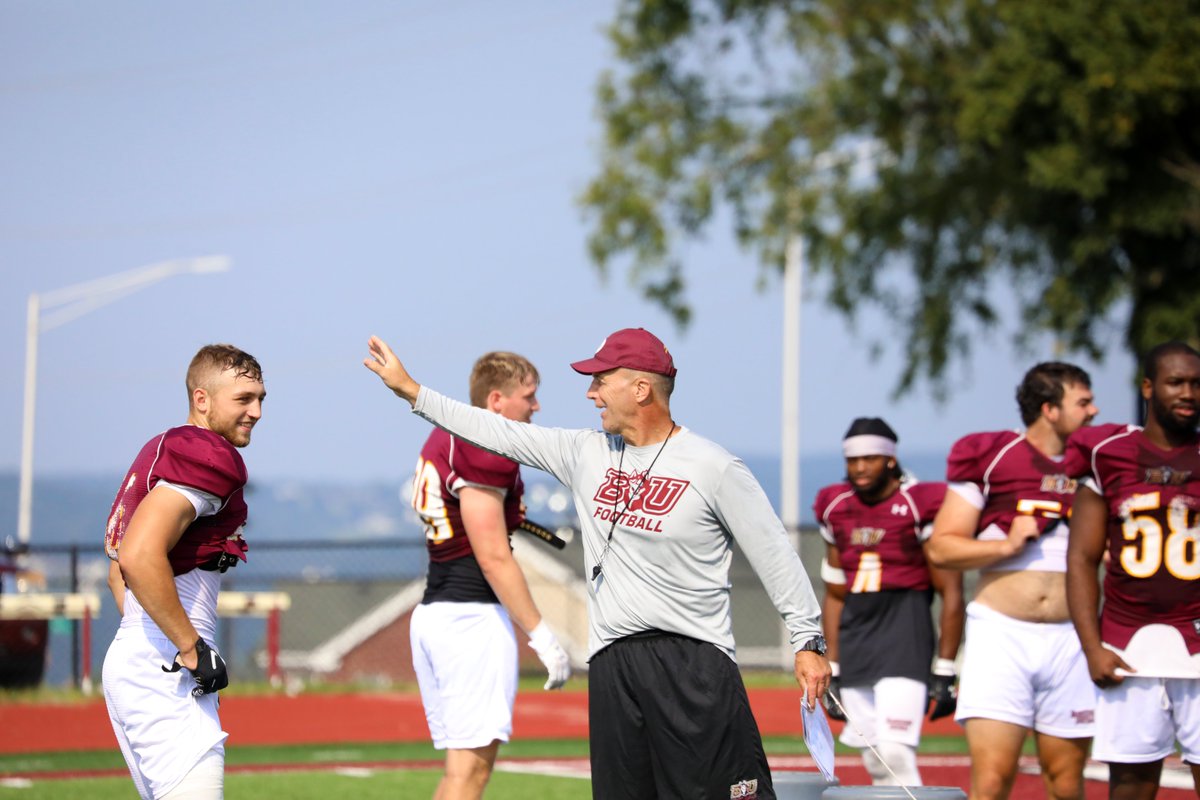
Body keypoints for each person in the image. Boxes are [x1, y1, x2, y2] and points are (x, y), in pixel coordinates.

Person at [365, 328, 830, 800]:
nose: (590, 394)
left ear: (641, 389)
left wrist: (807, 639)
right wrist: (412, 391)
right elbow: (495, 430)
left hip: (694, 665)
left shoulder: (715, 467)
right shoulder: (585, 452)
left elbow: (775, 554)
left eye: (600, 381)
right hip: (613, 666)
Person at [926, 362, 1099, 800]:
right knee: (991, 781)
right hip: (1003, 634)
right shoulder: (994, 456)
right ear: (1050, 409)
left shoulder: (1099, 463)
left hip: (1073, 637)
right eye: (1083, 401)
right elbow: (942, 547)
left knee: (1066, 782)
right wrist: (1004, 546)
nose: (1095, 410)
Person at [102, 344, 266, 800]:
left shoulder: (159, 451)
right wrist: (188, 648)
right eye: (243, 399)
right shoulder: (206, 454)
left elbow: (118, 573)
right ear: (202, 399)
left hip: (142, 654)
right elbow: (137, 556)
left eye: (261, 399)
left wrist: (148, 640)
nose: (255, 412)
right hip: (164, 662)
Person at [408, 351, 571, 799]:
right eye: (529, 396)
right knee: (470, 776)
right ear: (496, 400)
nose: (536, 407)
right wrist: (541, 635)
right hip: (468, 619)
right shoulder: (482, 444)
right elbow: (493, 556)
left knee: (460, 773)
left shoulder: (450, 437)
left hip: (439, 611)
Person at [1066, 341, 1200, 800]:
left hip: (1198, 637)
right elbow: (1081, 558)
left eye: (1196, 384)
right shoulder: (1108, 454)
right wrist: (1091, 647)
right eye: (1176, 382)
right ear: (1148, 386)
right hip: (1127, 644)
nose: (1188, 393)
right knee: (1130, 789)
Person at [815, 417, 964, 786]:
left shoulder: (918, 503)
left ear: (891, 460)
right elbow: (834, 593)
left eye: (870, 458)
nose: (860, 468)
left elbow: (951, 591)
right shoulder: (835, 505)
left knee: (896, 751)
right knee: (877, 758)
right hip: (855, 636)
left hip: (904, 631)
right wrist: (831, 660)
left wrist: (945, 665)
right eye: (853, 460)